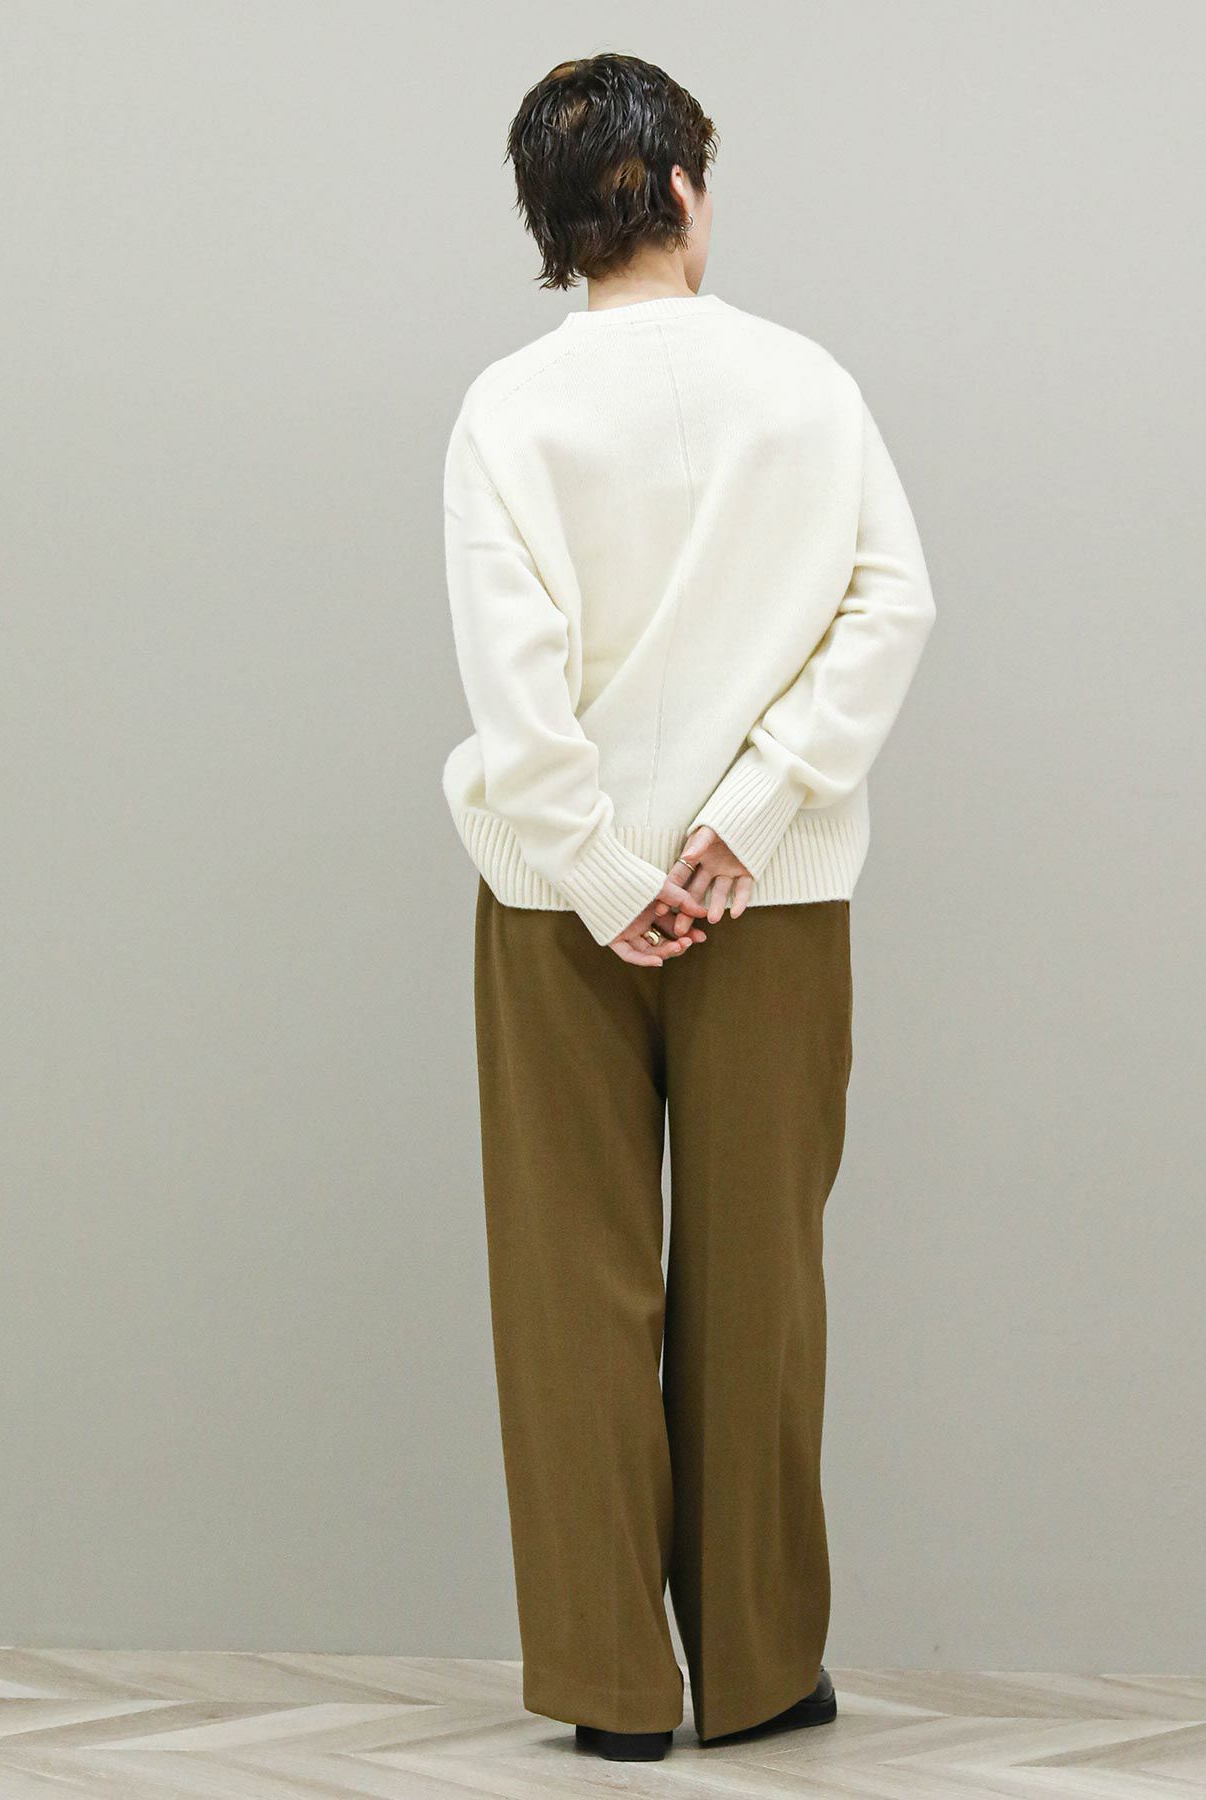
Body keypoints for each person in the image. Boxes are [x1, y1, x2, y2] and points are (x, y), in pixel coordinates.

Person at [439, 51, 936, 1763]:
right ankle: (761, 1668)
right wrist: (753, 811)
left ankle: (612, 1695)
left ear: (549, 222)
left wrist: (602, 872)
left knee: (569, 1291)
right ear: (684, 192)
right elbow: (891, 604)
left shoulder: (507, 412)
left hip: (555, 913)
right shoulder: (807, 385)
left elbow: (514, 690)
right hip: (769, 903)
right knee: (760, 1280)